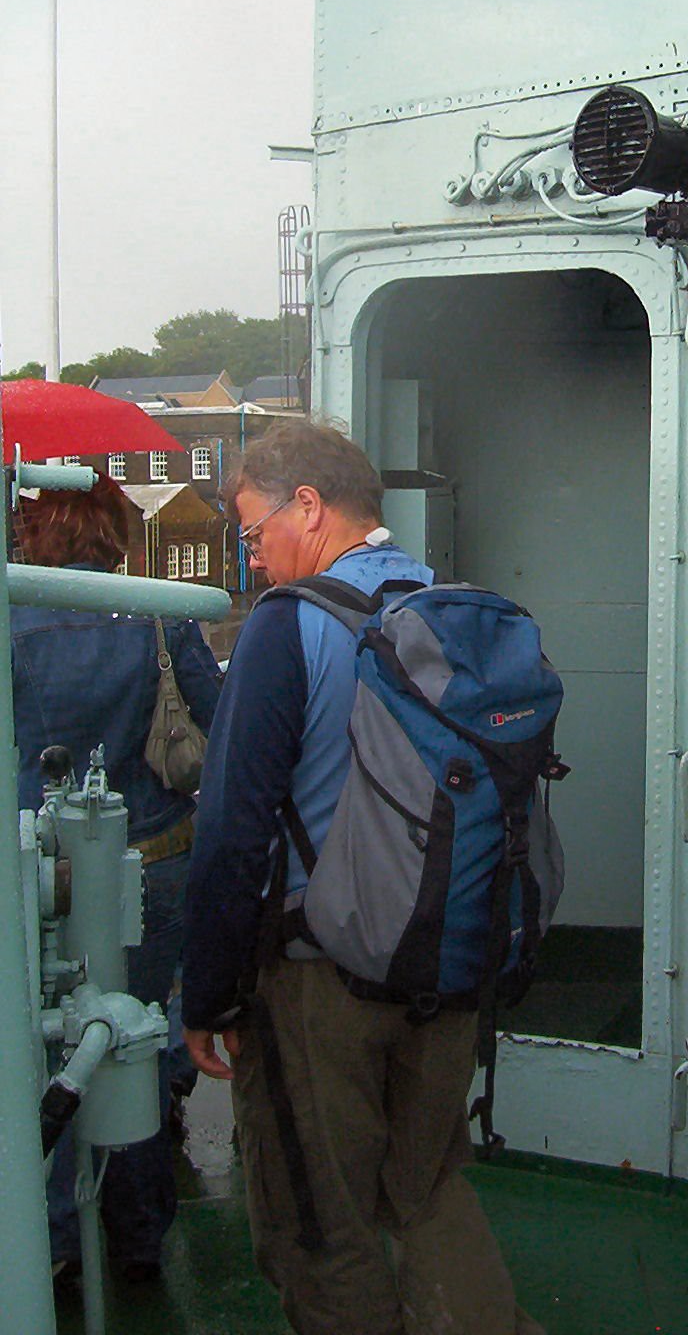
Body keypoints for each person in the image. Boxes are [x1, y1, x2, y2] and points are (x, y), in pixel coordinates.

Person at [180, 419, 544, 1335]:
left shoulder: (286, 626)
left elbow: (232, 832)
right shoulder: (442, 603)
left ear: (308, 506)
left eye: (255, 530)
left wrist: (210, 993)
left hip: (320, 986)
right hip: (447, 966)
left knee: (319, 1218)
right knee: (427, 1190)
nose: (254, 557)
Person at [10, 472, 223, 1282]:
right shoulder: (157, 614)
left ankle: (59, 1241)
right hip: (152, 861)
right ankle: (136, 1236)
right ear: (114, 535)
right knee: (132, 1039)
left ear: (36, 535)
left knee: (43, 1051)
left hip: (37, 871)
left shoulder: (12, 615)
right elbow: (218, 719)